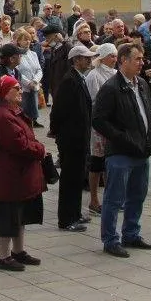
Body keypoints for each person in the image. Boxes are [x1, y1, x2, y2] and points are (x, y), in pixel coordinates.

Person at [92, 43, 151, 257]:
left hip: (141, 150)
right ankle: (111, 239)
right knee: (114, 198)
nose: (142, 63)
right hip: (121, 152)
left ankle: (131, 233)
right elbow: (99, 120)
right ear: (123, 61)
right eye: (137, 59)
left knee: (137, 195)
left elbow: (147, 112)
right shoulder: (111, 87)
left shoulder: (141, 84)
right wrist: (121, 138)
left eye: (142, 59)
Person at [0, 75, 46, 272]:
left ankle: (18, 251)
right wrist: (39, 150)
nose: (20, 91)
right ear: (5, 93)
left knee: (19, 215)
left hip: (18, 173)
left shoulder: (12, 111)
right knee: (8, 217)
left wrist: (36, 146)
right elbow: (18, 144)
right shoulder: (3, 115)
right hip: (9, 175)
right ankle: (2, 256)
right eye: (16, 89)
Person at [50, 44, 95, 232]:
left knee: (77, 179)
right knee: (70, 180)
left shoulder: (79, 78)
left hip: (79, 138)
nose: (90, 61)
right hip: (71, 140)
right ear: (76, 60)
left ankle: (75, 213)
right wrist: (61, 137)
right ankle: (67, 219)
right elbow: (59, 112)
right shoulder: (70, 81)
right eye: (86, 58)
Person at [84, 43, 119, 215]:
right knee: (97, 164)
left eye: (115, 55)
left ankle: (110, 198)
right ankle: (93, 200)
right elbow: (92, 100)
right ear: (103, 57)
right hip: (99, 125)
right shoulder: (94, 75)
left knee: (109, 162)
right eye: (111, 56)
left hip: (114, 124)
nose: (115, 59)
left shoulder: (116, 73)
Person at [15, 28, 43, 125]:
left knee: (32, 114)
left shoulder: (33, 54)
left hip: (34, 87)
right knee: (23, 115)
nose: (27, 41)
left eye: (29, 39)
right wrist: (28, 83)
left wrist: (35, 81)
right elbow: (17, 71)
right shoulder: (16, 55)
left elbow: (39, 70)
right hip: (23, 88)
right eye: (25, 39)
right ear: (18, 41)